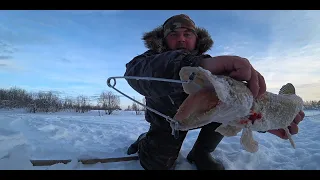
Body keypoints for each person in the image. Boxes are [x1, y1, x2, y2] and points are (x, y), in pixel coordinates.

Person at [124, 14, 305, 170]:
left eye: (187, 34)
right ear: (164, 40)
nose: (181, 39)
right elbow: (133, 74)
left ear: (196, 39)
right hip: (168, 121)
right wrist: (197, 67)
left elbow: (242, 102)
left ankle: (201, 152)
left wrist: (265, 120)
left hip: (208, 116)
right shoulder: (149, 59)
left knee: (223, 109)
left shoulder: (214, 64)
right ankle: (144, 141)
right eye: (173, 35)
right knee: (156, 165)